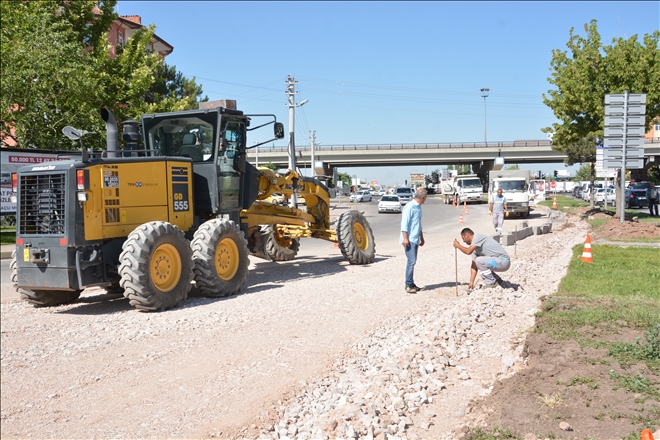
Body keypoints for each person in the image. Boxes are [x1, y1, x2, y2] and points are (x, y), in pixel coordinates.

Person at [400, 188, 427, 293]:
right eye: (426, 198)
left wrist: (422, 237)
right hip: (409, 239)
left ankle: (411, 283)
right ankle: (408, 284)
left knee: (413, 261)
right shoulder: (409, 207)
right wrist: (405, 238)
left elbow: (418, 224)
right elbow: (404, 224)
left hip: (415, 238)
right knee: (411, 261)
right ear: (423, 197)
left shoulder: (418, 207)